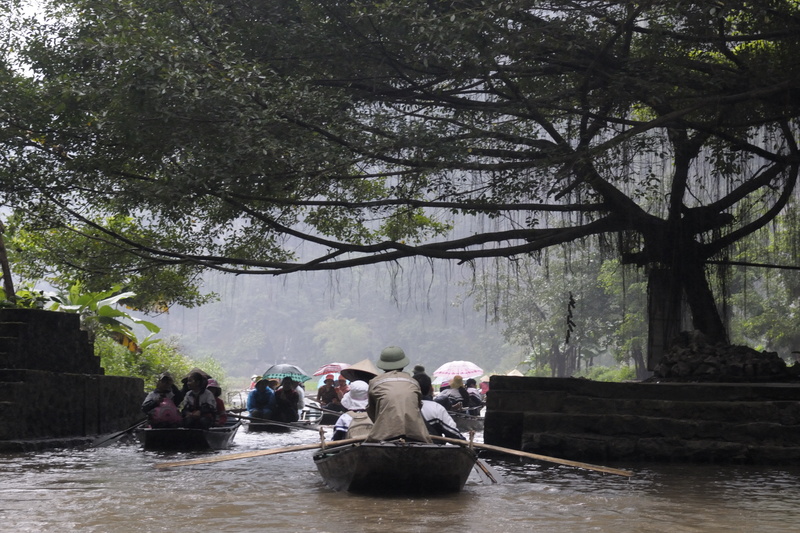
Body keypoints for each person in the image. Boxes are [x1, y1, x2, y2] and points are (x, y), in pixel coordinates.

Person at [365, 346, 431, 443]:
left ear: (383, 366)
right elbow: (417, 408)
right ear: (403, 365)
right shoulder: (413, 382)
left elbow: (372, 411)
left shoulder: (374, 383)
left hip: (383, 435)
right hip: (416, 435)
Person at [412, 373, 465, 440]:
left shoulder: (403, 407)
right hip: (432, 448)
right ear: (431, 389)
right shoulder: (436, 408)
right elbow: (454, 434)